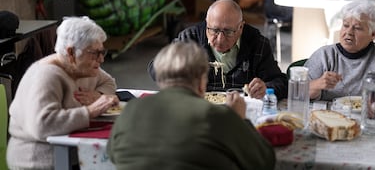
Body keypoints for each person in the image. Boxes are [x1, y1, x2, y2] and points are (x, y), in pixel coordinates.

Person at [108, 41, 275, 170]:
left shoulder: (130, 110)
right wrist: (240, 119)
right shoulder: (216, 116)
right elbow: (264, 162)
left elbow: (112, 154)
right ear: (202, 83)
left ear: (159, 80)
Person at [7, 16, 119, 170]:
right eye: (95, 53)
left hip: (71, 152)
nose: (101, 59)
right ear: (71, 52)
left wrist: (97, 95)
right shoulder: (46, 75)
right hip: (38, 161)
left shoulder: (83, 68)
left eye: (102, 52)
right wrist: (90, 111)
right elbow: (42, 125)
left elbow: (108, 82)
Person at [148, 0, 288, 100]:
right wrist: (179, 76)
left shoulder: (257, 43)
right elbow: (155, 69)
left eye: (228, 32)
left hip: (240, 110)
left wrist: (266, 89)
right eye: (214, 30)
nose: (220, 39)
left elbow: (281, 82)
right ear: (206, 23)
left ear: (240, 28)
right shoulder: (190, 39)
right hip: (198, 107)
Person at [305, 0, 375, 115]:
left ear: (373, 34)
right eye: (345, 25)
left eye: (357, 28)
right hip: (328, 117)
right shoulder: (324, 55)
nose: (349, 32)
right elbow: (297, 91)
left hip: (371, 120)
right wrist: (317, 84)